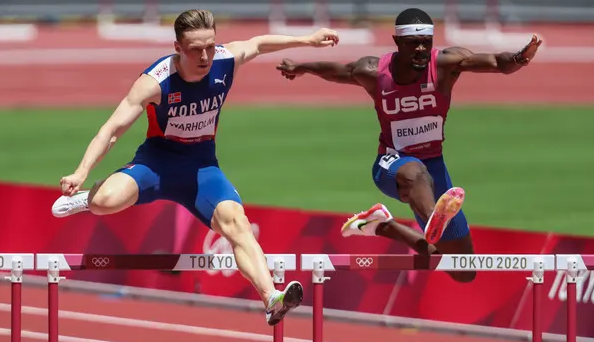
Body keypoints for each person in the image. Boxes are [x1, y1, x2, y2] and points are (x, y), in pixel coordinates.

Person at [51, 9, 339, 325]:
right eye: (195, 49)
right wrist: (81, 172)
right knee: (105, 202)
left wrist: (307, 39)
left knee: (236, 223)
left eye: (210, 46)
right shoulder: (155, 82)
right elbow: (111, 130)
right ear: (177, 48)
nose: (205, 56)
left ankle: (272, 298)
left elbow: (257, 43)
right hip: (156, 164)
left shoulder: (225, 60)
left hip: (202, 168)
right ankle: (88, 198)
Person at [276, 7, 541, 283]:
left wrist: (520, 57)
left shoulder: (445, 63)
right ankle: (433, 220)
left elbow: (498, 63)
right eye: (413, 43)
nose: (421, 49)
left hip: (434, 165)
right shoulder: (374, 72)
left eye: (426, 42)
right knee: (416, 173)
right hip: (392, 164)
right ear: (397, 42)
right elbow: (337, 71)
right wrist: (302, 67)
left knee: (463, 270)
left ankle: (385, 226)